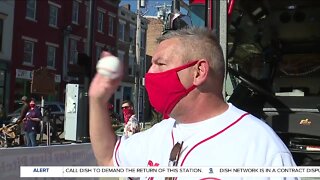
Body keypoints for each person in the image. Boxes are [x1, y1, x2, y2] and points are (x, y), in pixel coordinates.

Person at [89, 27, 298, 179]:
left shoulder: (261, 149)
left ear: (198, 72)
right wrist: (97, 100)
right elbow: (109, 159)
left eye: (160, 64)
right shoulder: (158, 135)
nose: (149, 73)